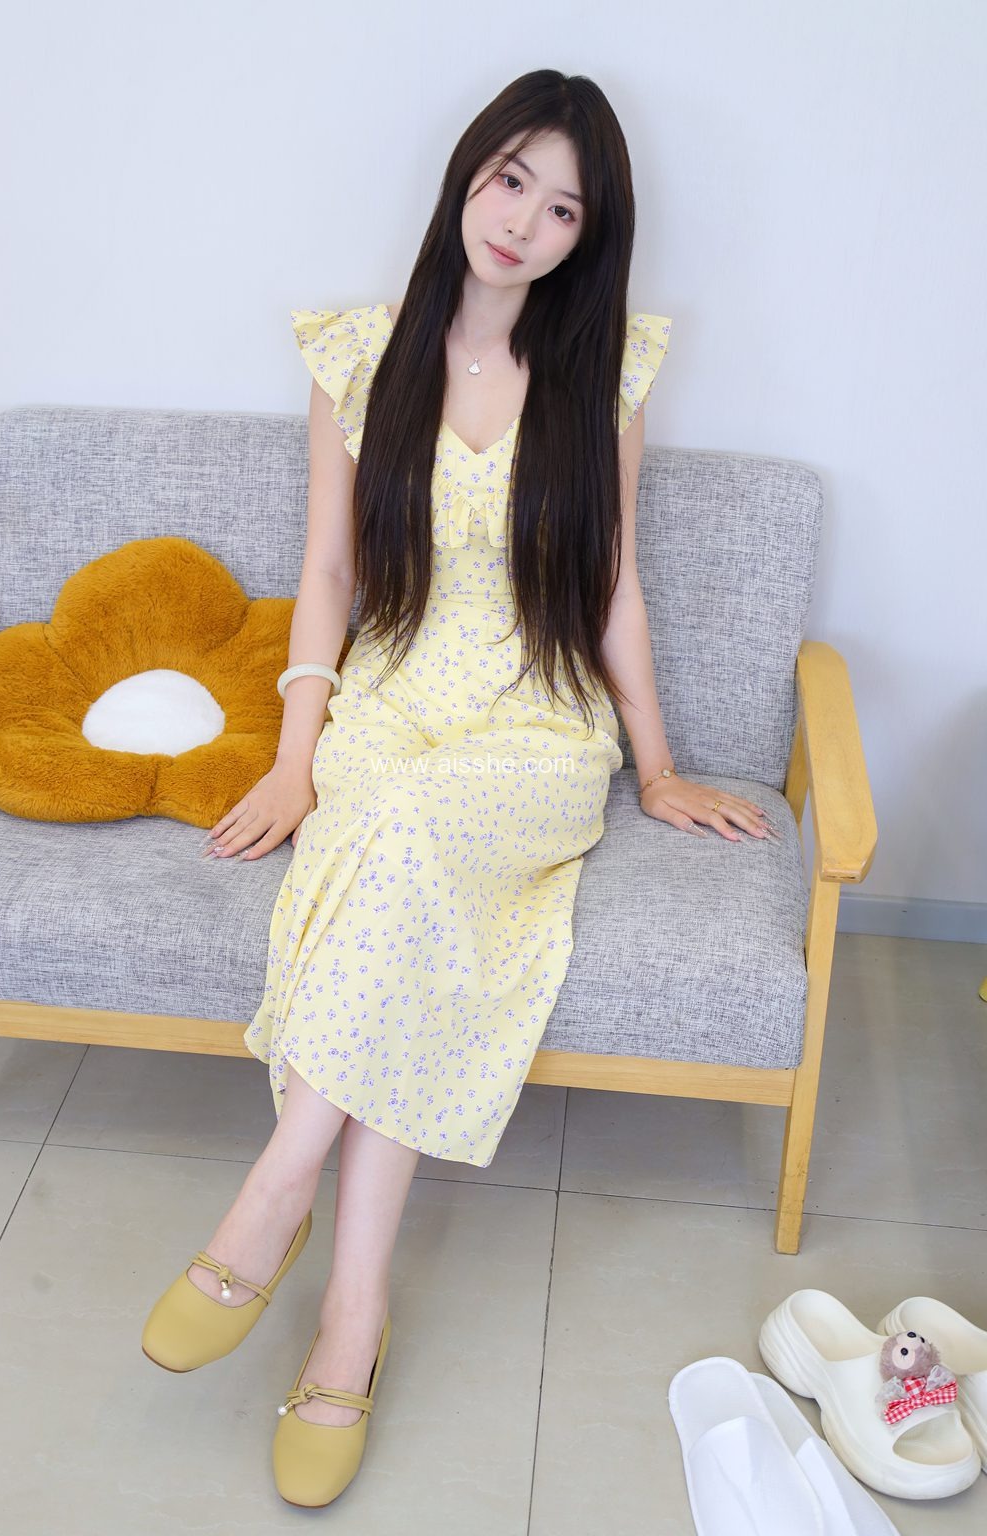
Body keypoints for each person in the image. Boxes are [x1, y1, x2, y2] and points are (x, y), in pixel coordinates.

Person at [141, 67, 778, 1507]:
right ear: (468, 176)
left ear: (587, 239)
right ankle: (351, 1319)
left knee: (415, 838)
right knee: (390, 859)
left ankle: (272, 1195)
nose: (525, 223)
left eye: (565, 210)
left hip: (537, 722)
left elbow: (611, 583)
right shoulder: (359, 356)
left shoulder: (604, 375)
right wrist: (296, 755)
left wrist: (658, 764)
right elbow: (326, 573)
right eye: (512, 181)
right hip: (386, 701)